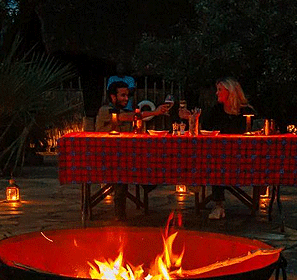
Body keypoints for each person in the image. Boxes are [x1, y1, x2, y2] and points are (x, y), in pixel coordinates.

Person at [180, 77, 255, 220]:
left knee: (217, 161)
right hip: (220, 156)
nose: (216, 93)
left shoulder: (247, 112)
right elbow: (204, 130)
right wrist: (192, 119)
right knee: (215, 161)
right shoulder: (217, 110)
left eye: (220, 90)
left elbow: (255, 133)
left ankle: (218, 205)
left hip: (244, 157)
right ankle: (218, 205)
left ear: (230, 92)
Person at [96, 80, 170, 218]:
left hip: (124, 156)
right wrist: (154, 112)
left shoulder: (125, 111)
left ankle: (149, 182)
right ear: (113, 97)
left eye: (127, 95)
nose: (126, 98)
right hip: (105, 157)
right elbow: (125, 118)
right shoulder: (105, 111)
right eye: (123, 95)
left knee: (149, 158)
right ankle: (120, 213)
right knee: (121, 168)